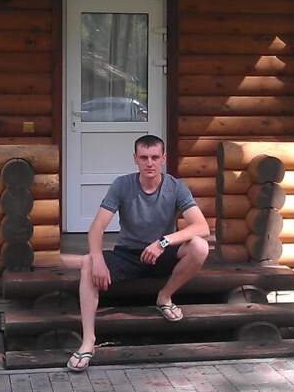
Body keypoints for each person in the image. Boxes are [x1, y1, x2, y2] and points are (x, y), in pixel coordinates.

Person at [66, 134, 209, 372]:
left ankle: (164, 297)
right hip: (128, 254)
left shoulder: (175, 186)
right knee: (87, 262)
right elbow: (97, 228)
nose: (149, 163)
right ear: (135, 159)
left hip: (161, 254)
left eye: (154, 157)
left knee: (199, 246)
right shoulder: (122, 185)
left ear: (163, 158)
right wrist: (98, 258)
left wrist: (163, 242)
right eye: (144, 157)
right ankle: (88, 341)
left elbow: (202, 227)